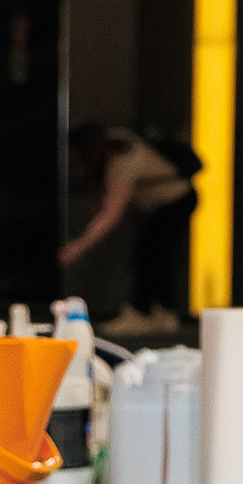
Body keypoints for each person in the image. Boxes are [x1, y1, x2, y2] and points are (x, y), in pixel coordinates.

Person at [60, 123, 196, 338]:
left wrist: (79, 246)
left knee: (149, 255)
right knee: (155, 257)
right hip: (167, 202)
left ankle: (143, 313)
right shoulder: (118, 139)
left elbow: (111, 214)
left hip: (174, 201)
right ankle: (162, 313)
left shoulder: (121, 163)